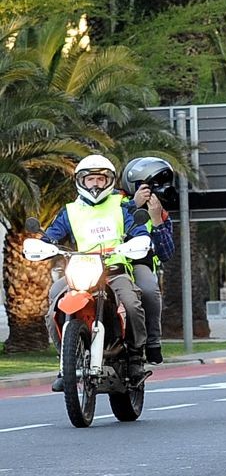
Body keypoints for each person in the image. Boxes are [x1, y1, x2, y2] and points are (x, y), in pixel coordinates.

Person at [42, 155, 150, 386]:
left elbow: (138, 230)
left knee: (131, 304)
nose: (95, 184)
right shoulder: (70, 211)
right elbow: (51, 236)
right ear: (81, 181)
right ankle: (65, 364)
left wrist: (138, 240)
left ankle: (135, 356)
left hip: (114, 272)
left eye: (100, 179)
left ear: (109, 181)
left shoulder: (122, 206)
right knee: (53, 306)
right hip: (81, 273)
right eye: (90, 179)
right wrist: (43, 245)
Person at [120, 156, 177, 366]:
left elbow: (166, 254)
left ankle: (153, 342)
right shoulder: (116, 203)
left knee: (149, 289)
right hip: (105, 262)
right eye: (148, 186)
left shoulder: (160, 214)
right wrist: (134, 205)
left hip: (138, 264)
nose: (154, 192)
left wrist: (156, 220)